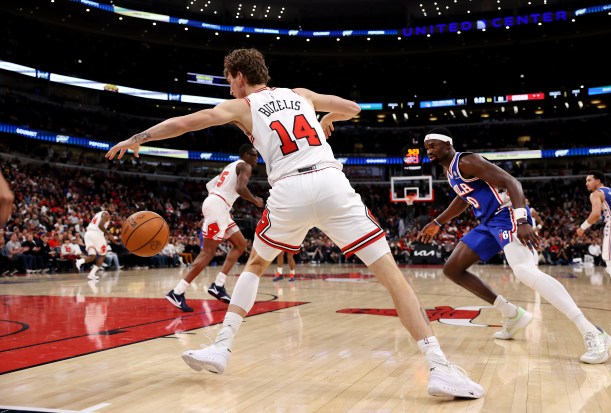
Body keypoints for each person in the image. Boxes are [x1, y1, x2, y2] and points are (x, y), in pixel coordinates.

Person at [105, 48, 483, 399]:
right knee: (392, 278)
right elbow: (353, 107)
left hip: (289, 189)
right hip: (331, 182)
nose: (230, 87)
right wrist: (328, 118)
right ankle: (438, 366)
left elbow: (190, 122)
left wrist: (140, 137)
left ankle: (221, 347)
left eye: (229, 80)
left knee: (254, 263)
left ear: (239, 77)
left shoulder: (243, 105)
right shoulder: (300, 93)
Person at [417, 127, 611, 364]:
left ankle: (593, 331)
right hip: (488, 222)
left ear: (447, 145)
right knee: (453, 269)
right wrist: (438, 222)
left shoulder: (467, 161)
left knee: (524, 271)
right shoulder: (448, 171)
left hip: (507, 215)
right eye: (427, 147)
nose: (429, 150)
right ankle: (512, 314)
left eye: (433, 146)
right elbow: (464, 198)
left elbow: (512, 182)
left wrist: (521, 219)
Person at [164, 144, 263, 311]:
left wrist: (220, 203)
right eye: (254, 155)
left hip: (219, 207)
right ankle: (177, 292)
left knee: (240, 244)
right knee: (208, 253)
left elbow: (210, 185)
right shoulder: (244, 166)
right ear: (246, 155)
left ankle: (218, 285)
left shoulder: (231, 166)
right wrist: (255, 200)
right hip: (218, 207)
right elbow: (240, 188)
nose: (257, 159)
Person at [576, 172, 611, 304]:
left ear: (598, 181)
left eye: (589, 180)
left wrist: (582, 227)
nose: (586, 183)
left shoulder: (596, 193)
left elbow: (595, 215)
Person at [75, 209, 113, 281]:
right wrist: (108, 234)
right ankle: (92, 273)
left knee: (92, 256)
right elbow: (100, 225)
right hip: (96, 235)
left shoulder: (98, 214)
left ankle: (80, 262)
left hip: (88, 234)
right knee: (102, 255)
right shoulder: (106, 214)